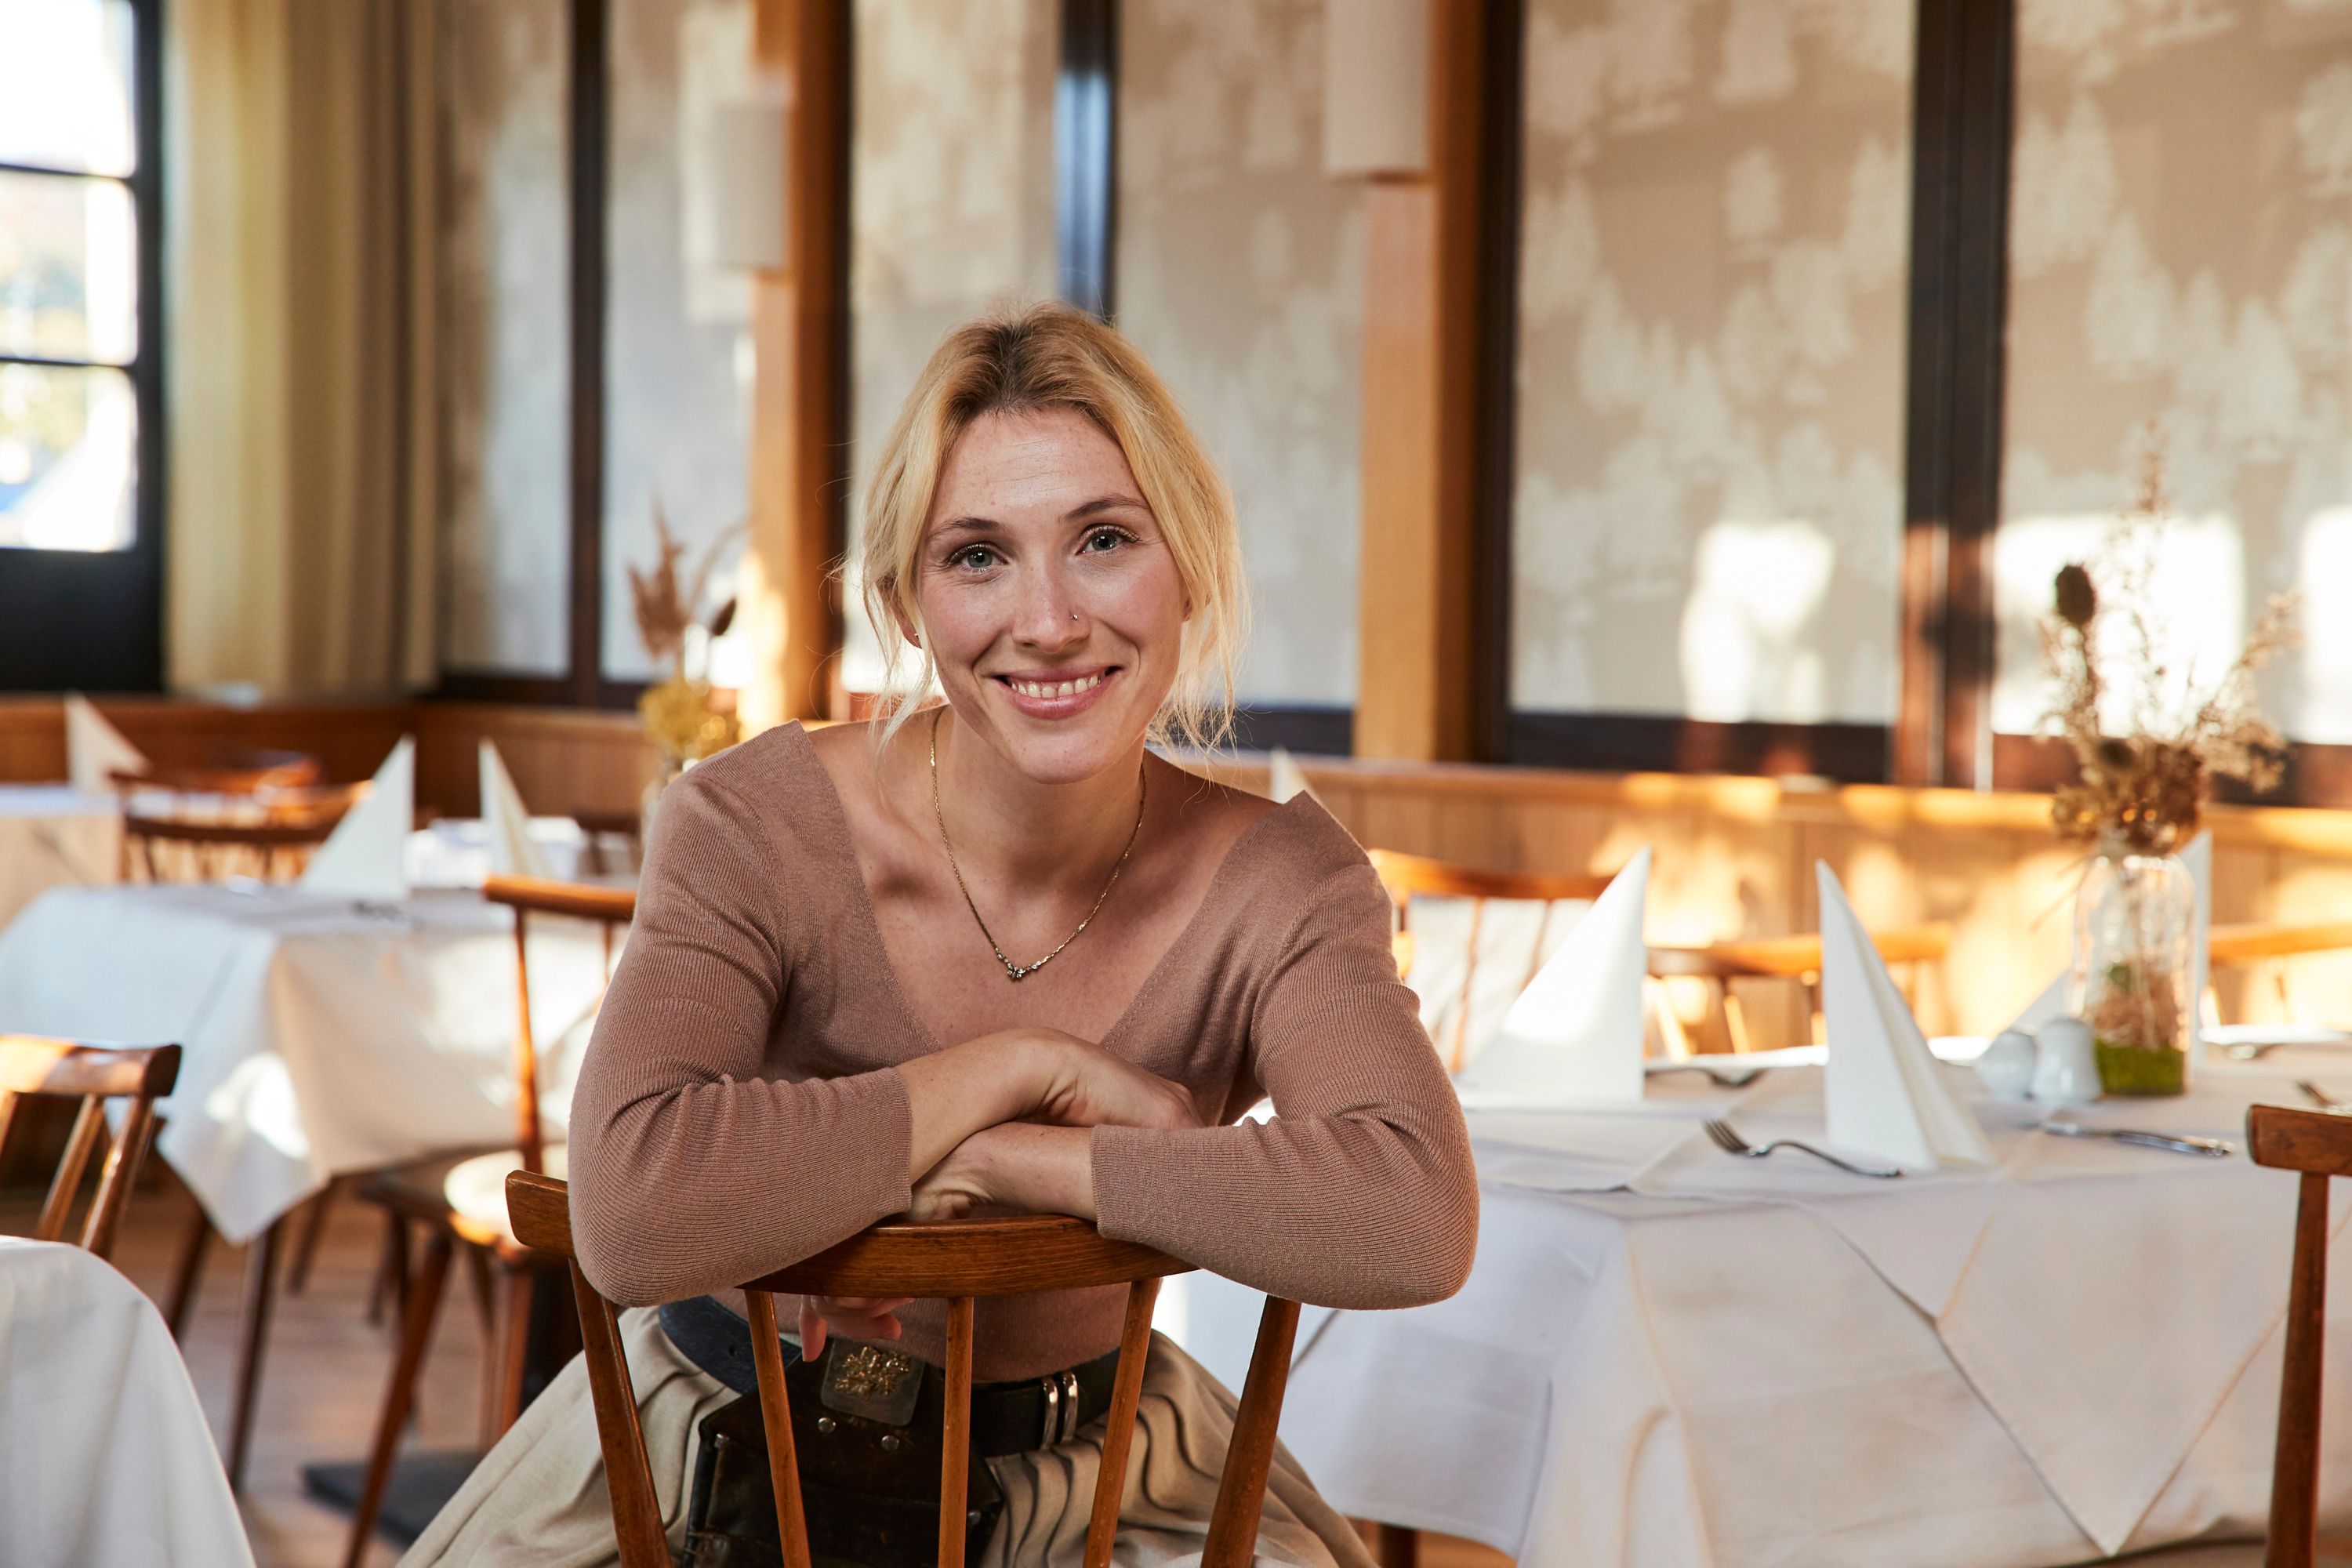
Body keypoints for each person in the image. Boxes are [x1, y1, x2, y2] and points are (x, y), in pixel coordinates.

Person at [404, 303, 1479, 1567]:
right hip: (705, 1457)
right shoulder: (752, 823)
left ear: (1187, 565)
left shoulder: (1285, 880)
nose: (1050, 620)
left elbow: (1412, 1214)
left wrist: (1011, 1165)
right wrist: (1011, 1075)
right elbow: (634, 1214)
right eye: (977, 556)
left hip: (1102, 1480)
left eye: (1104, 541)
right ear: (907, 605)